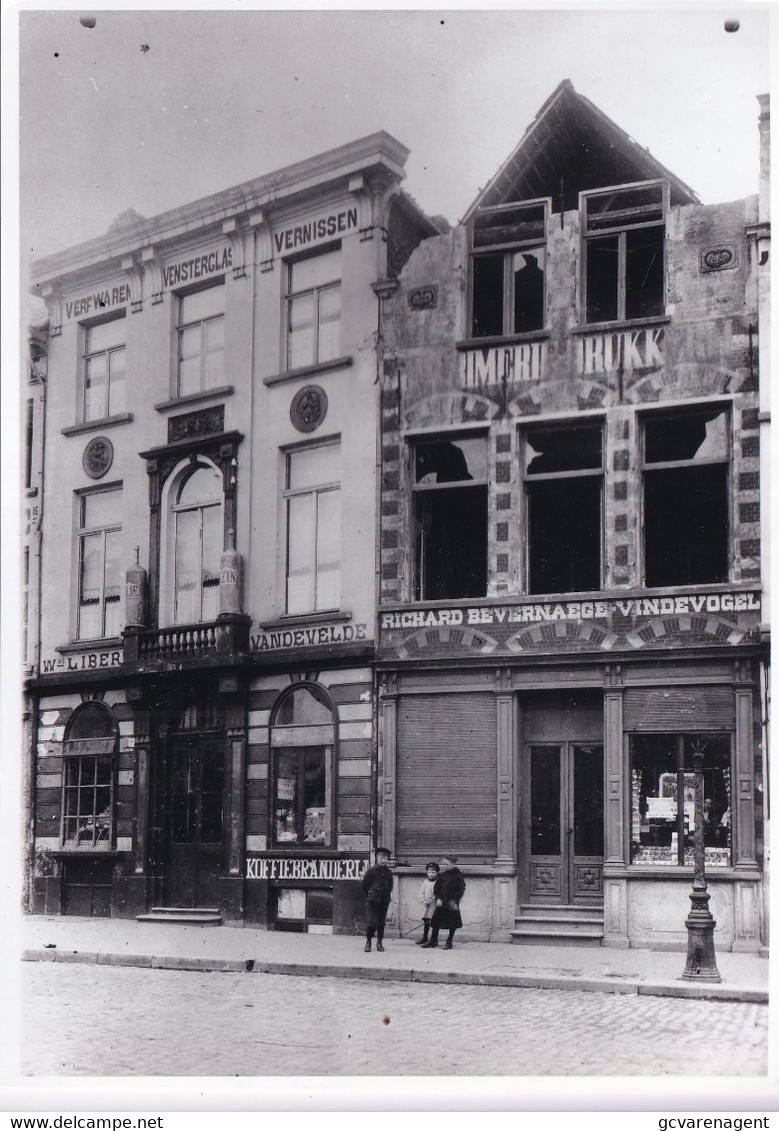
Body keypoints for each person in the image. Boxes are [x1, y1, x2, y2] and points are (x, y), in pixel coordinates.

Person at [421, 855, 466, 949]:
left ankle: (449, 941)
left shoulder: (458, 876)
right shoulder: (441, 875)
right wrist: (438, 898)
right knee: (436, 921)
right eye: (443, 864)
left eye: (447, 864)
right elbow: (436, 888)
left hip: (452, 902)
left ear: (453, 864)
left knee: (452, 923)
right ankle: (433, 940)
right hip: (441, 902)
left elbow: (461, 889)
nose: (445, 866)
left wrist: (455, 901)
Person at [362, 846, 393, 952]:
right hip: (373, 900)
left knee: (381, 922)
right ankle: (368, 942)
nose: (383, 860)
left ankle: (379, 942)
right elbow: (365, 885)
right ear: (376, 858)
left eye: (385, 858)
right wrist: (371, 895)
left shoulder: (389, 872)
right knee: (371, 922)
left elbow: (390, 886)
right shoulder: (371, 871)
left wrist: (385, 895)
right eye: (381, 858)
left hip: (384, 900)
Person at [416, 862, 440, 945]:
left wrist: (433, 899)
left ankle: (434, 939)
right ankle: (425, 937)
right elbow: (421, 893)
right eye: (429, 872)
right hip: (426, 905)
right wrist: (424, 900)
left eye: (433, 872)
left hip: (434, 905)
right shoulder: (425, 882)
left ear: (437, 873)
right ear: (427, 873)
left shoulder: (438, 882)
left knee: (434, 922)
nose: (431, 874)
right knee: (426, 921)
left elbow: (438, 893)